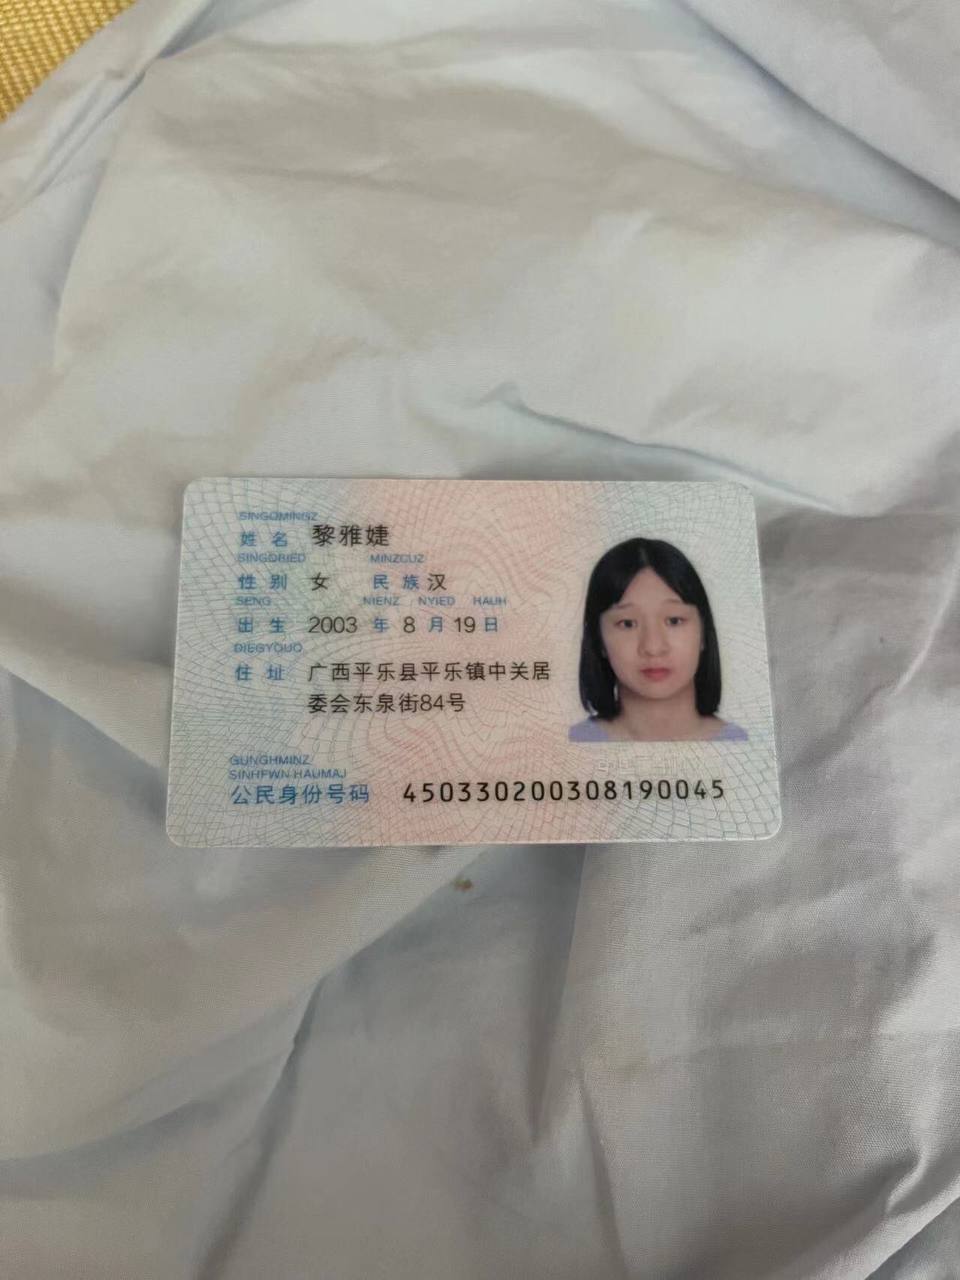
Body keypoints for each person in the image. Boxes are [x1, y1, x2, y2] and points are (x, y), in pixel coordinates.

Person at [569, 537, 748, 743]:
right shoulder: (570, 745)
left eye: (674, 621)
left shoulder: (740, 744)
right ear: (599, 639)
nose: (653, 647)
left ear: (703, 633)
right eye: (627, 623)